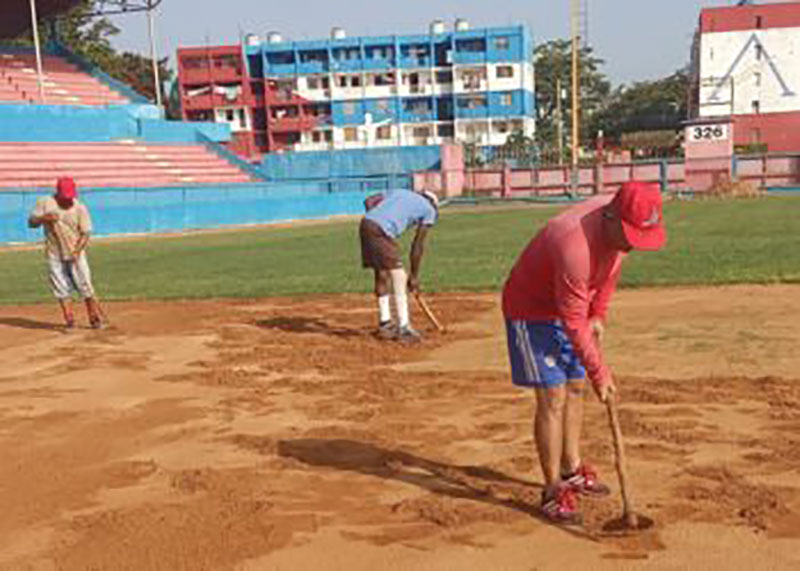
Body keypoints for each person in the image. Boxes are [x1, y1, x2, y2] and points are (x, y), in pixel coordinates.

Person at [502, 181, 666, 525]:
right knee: (553, 395)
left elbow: (611, 269)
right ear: (612, 219)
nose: (633, 245)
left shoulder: (619, 219)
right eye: (630, 236)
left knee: (575, 386)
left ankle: (572, 468)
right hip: (531, 309)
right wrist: (600, 371)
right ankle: (551, 488)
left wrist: (600, 314)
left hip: (572, 305)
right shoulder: (574, 246)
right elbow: (572, 319)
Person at [360, 188, 439, 342]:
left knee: (381, 272)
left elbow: (369, 201)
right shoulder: (429, 210)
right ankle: (404, 328)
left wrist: (378, 218)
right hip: (380, 230)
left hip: (366, 224)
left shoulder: (400, 192)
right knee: (400, 276)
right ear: (433, 204)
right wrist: (414, 277)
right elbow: (417, 245)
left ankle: (385, 323)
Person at [28, 177, 103, 329]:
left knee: (85, 285)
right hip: (54, 252)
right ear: (58, 193)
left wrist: (77, 251)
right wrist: (43, 218)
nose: (68, 201)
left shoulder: (80, 208)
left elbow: (86, 233)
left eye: (70, 197)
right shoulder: (45, 202)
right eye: (65, 197)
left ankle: (94, 318)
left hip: (75, 251)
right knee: (60, 286)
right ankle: (69, 320)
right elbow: (31, 222)